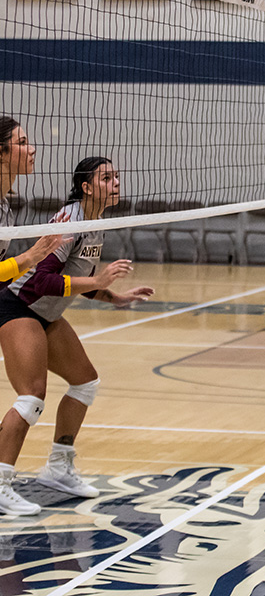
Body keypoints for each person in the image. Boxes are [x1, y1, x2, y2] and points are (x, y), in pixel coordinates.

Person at [0, 156, 155, 516]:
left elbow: (77, 277)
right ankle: (2, 482)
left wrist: (110, 295)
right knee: (31, 397)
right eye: (106, 178)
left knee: (85, 383)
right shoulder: (70, 221)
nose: (115, 182)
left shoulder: (95, 222)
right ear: (86, 188)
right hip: (19, 308)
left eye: (117, 176)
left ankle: (59, 468)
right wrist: (98, 282)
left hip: (46, 313)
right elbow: (42, 281)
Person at [0, 116, 67, 289]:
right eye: (22, 143)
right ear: (1, 153)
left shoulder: (5, 207)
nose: (32, 149)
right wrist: (30, 255)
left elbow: (2, 280)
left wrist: (39, 254)